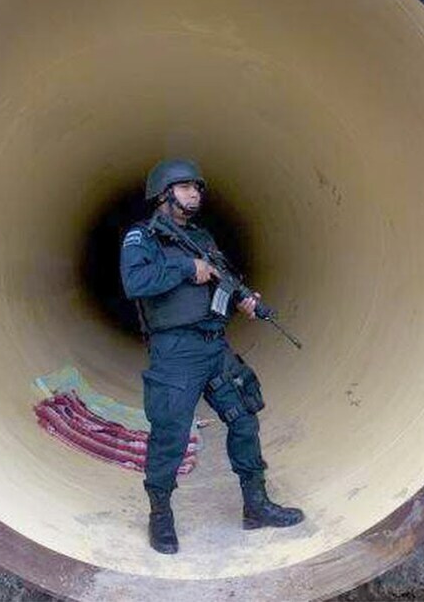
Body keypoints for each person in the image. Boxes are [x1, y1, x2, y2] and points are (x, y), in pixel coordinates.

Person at [120, 158, 304, 554]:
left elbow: (221, 279)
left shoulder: (201, 237)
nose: (195, 193)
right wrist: (187, 268)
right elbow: (135, 282)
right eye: (185, 187)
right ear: (164, 193)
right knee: (170, 434)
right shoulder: (142, 237)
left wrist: (244, 300)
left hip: (213, 345)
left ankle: (256, 505)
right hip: (175, 351)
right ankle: (160, 515)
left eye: (197, 187)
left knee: (244, 417)